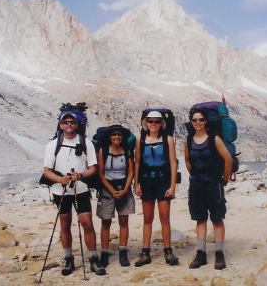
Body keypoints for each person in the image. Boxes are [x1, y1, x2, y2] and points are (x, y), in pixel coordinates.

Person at [42, 110, 106, 276]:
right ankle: (69, 257)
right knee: (64, 223)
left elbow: (93, 167)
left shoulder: (86, 143)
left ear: (78, 124)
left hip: (81, 188)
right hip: (60, 189)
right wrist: (60, 180)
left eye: (72, 122)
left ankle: (93, 258)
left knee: (87, 223)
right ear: (61, 124)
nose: (69, 125)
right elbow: (47, 171)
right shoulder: (52, 145)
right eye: (66, 122)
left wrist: (81, 175)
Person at [184, 108, 232, 270]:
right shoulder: (189, 139)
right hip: (197, 184)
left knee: (217, 218)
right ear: (191, 122)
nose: (198, 123)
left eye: (201, 120)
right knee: (200, 218)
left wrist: (224, 179)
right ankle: (201, 253)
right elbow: (188, 161)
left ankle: (219, 253)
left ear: (206, 122)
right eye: (195, 120)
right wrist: (196, 176)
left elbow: (228, 160)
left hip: (213, 183)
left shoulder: (214, 139)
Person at [133, 110, 179, 267]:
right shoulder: (140, 140)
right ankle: (145, 251)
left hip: (163, 181)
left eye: (157, 121)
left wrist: (173, 186)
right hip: (146, 181)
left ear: (162, 123)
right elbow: (137, 162)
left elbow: (173, 163)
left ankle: (168, 251)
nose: (153, 124)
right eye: (150, 121)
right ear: (145, 123)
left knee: (165, 218)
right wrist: (136, 183)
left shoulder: (168, 139)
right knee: (147, 218)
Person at [96, 125, 136, 267]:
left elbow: (131, 172)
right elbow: (100, 173)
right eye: (114, 135)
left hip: (123, 187)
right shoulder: (103, 151)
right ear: (109, 137)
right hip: (108, 189)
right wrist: (111, 190)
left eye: (119, 135)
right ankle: (105, 254)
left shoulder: (127, 151)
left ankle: (123, 253)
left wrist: (125, 189)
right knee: (105, 222)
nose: (116, 137)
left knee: (124, 221)